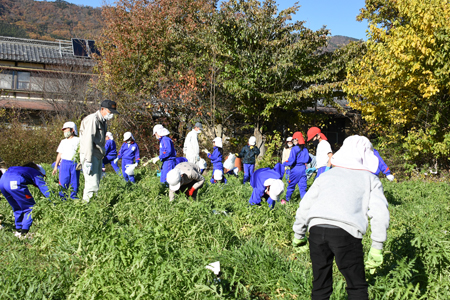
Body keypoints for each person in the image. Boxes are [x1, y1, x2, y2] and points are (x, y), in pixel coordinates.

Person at [292, 135, 390, 300]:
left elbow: (305, 205)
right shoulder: (370, 179)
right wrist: (377, 246)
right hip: (346, 233)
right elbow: (380, 213)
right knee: (356, 286)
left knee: (320, 285)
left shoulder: (326, 176)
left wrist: (298, 235)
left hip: (316, 231)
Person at [79, 99, 119, 201]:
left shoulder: (103, 121)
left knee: (96, 183)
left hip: (97, 155)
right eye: (110, 112)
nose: (112, 115)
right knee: (92, 185)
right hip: (90, 155)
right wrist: (88, 160)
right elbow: (88, 140)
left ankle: (91, 206)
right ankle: (87, 209)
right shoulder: (93, 119)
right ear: (102, 109)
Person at [0, 162, 50, 237]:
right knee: (30, 208)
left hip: (2, 183)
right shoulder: (36, 173)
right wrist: (55, 200)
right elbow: (46, 190)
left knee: (17, 207)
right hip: (14, 184)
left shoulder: (19, 169)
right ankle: (24, 234)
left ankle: (18, 230)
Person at [52, 121, 80, 200]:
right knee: (63, 182)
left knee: (74, 182)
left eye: (66, 129)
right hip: (64, 163)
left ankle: (74, 198)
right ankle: (62, 199)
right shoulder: (63, 141)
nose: (65, 132)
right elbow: (59, 154)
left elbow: (81, 152)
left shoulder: (78, 140)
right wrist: (55, 166)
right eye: (64, 130)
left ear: (72, 130)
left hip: (74, 163)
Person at [282, 132, 311, 204]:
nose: (293, 141)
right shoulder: (305, 149)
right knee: (303, 187)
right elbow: (309, 159)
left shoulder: (294, 149)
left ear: (297, 140)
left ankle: (287, 200)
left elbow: (291, 161)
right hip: (303, 169)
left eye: (294, 139)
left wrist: (284, 164)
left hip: (295, 169)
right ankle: (305, 203)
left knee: (291, 185)